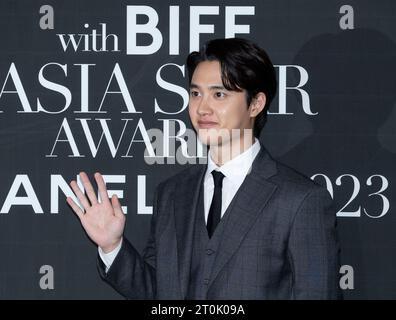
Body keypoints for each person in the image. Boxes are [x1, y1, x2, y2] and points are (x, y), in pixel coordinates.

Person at [67, 38, 341, 299]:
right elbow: (158, 292)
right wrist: (112, 246)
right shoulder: (172, 194)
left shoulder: (300, 200)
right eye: (195, 93)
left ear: (256, 103)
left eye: (219, 94)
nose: (202, 108)